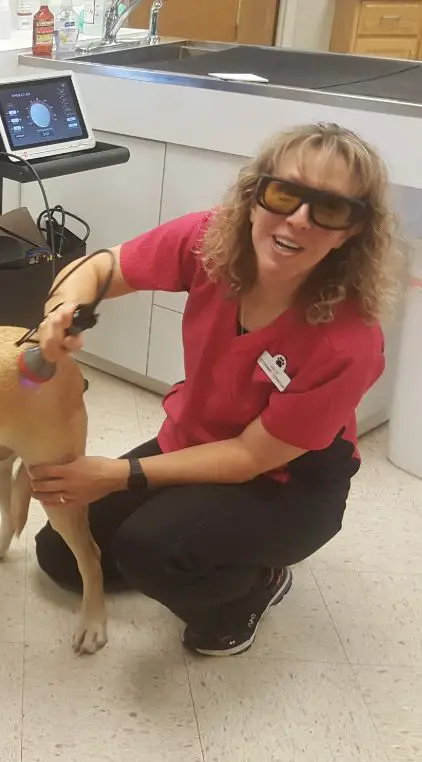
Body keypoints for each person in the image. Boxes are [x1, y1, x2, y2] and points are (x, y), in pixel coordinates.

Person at [29, 122, 400, 656]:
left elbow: (252, 456)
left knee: (149, 549)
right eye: (284, 193)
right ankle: (196, 546)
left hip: (289, 481)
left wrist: (118, 475)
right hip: (198, 441)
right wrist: (63, 310)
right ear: (254, 197)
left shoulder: (348, 340)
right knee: (62, 556)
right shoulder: (210, 242)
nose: (298, 218)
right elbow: (103, 267)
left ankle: (252, 591)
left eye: (331, 209)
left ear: (351, 232)